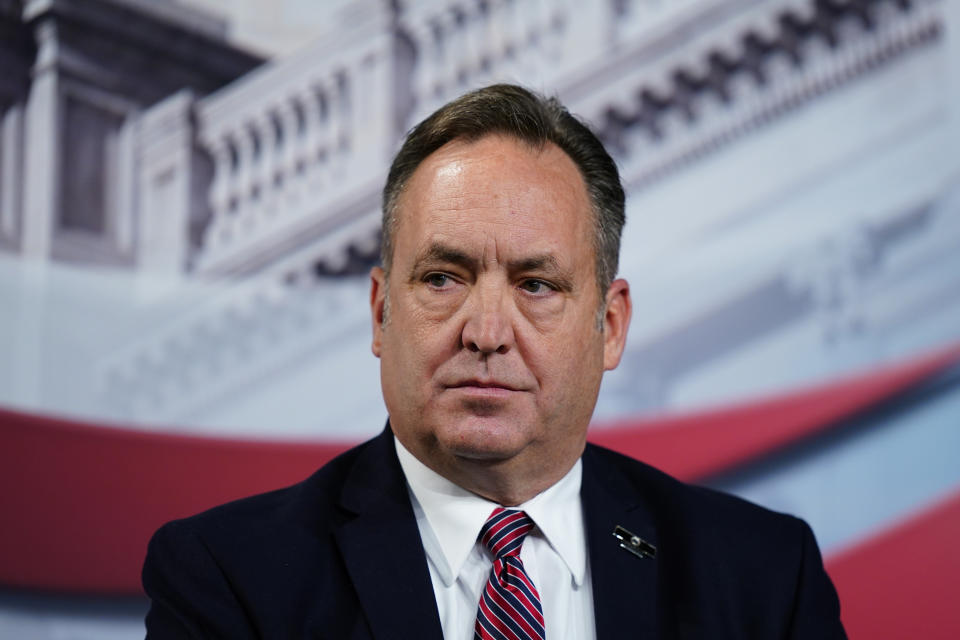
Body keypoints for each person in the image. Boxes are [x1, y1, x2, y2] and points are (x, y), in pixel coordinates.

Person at [142, 84, 847, 639]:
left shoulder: (761, 578)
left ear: (610, 326)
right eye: (444, 278)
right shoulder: (230, 579)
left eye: (536, 285)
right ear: (381, 311)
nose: (485, 332)